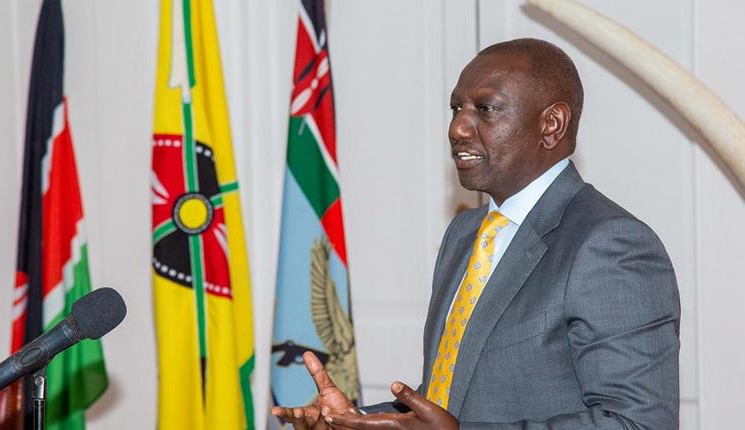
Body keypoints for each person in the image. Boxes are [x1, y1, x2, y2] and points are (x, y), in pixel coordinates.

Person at [271, 38, 680, 430]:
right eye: (455, 108)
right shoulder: (466, 233)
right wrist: (352, 421)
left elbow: (638, 422)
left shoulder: (610, 244)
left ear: (551, 124)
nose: (458, 129)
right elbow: (456, 393)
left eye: (485, 109)